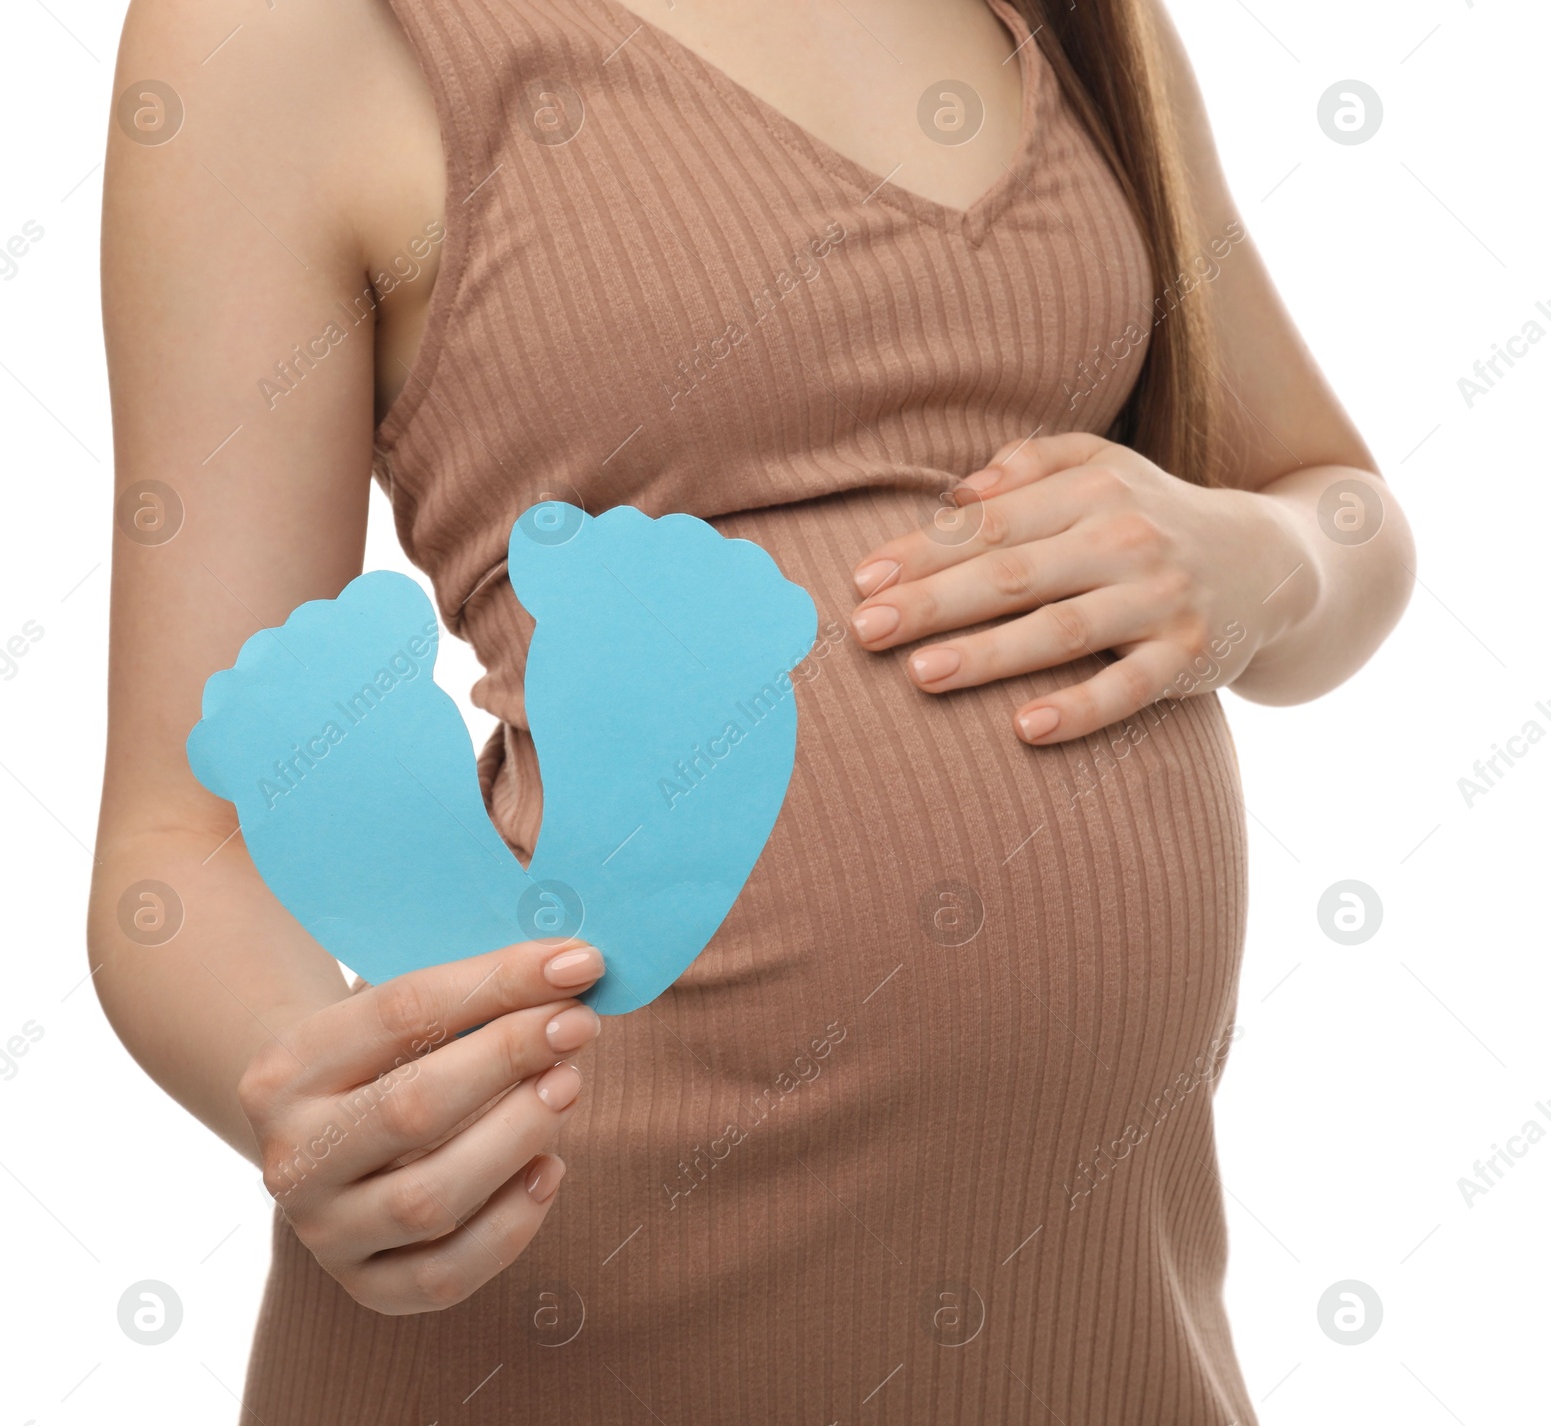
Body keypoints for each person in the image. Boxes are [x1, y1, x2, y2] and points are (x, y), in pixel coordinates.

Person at [91, 0, 1413, 1420]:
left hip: (1095, 1319)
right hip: (579, 1304)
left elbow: (1337, 505)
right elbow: (180, 841)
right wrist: (331, 1108)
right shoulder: (283, 33)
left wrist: (1263, 565)